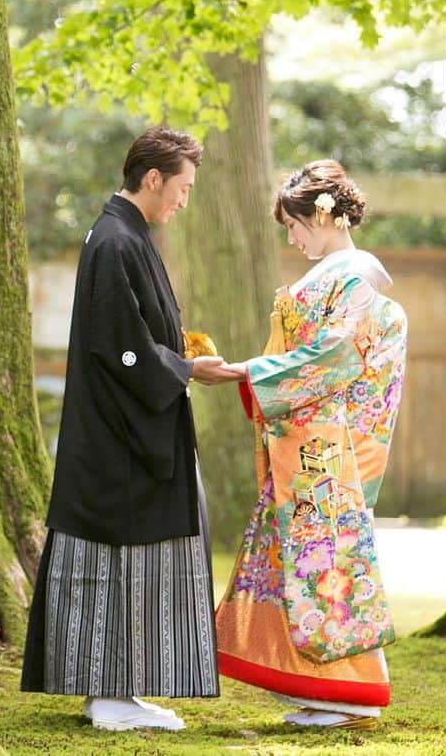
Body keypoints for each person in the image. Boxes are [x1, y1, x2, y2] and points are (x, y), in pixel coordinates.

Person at [21, 126, 245, 732]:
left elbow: (137, 335)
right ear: (153, 179)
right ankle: (109, 696)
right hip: (117, 439)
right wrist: (185, 369)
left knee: (134, 560)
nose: (185, 200)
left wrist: (181, 358)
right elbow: (120, 347)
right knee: (118, 557)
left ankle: (120, 691)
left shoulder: (125, 234)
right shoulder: (115, 241)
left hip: (124, 430)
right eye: (183, 188)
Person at [216, 161, 408, 732]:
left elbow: (337, 355)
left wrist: (248, 371)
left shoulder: (354, 277)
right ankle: (326, 689)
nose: (292, 239)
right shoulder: (339, 275)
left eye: (293, 226)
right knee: (308, 566)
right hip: (313, 440)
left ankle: (354, 693)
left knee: (329, 566)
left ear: (321, 216)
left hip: (329, 448)